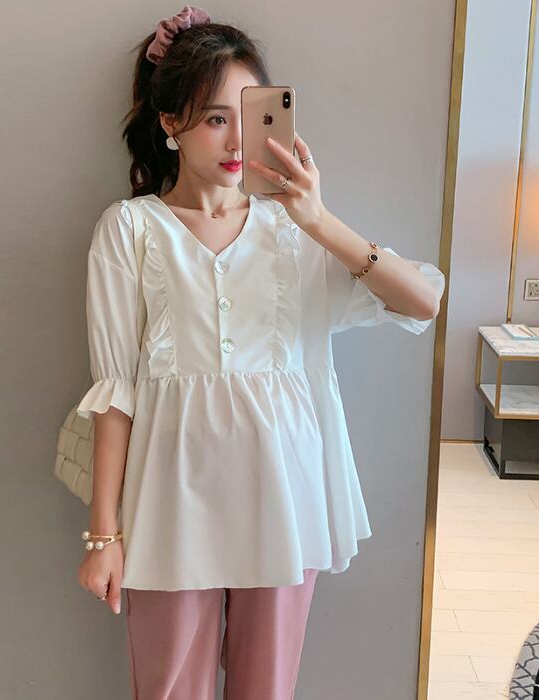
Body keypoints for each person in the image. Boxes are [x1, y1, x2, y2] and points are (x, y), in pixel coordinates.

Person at [75, 5, 446, 699]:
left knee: (266, 690)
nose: (237, 139)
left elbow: (422, 302)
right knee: (167, 690)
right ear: (170, 123)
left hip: (284, 497)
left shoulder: (294, 232)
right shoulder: (129, 229)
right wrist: (104, 536)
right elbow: (116, 392)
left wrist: (318, 219)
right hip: (171, 500)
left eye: (249, 115)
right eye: (216, 118)